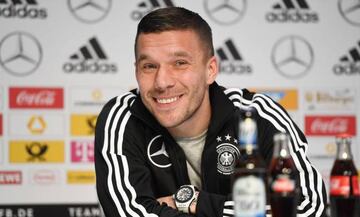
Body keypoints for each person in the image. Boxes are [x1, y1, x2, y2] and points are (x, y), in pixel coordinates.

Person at [94, 7, 327, 217]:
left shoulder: (256, 114)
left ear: (211, 70)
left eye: (179, 63)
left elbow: (309, 207)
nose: (162, 82)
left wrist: (195, 202)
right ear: (136, 70)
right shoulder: (123, 116)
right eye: (149, 66)